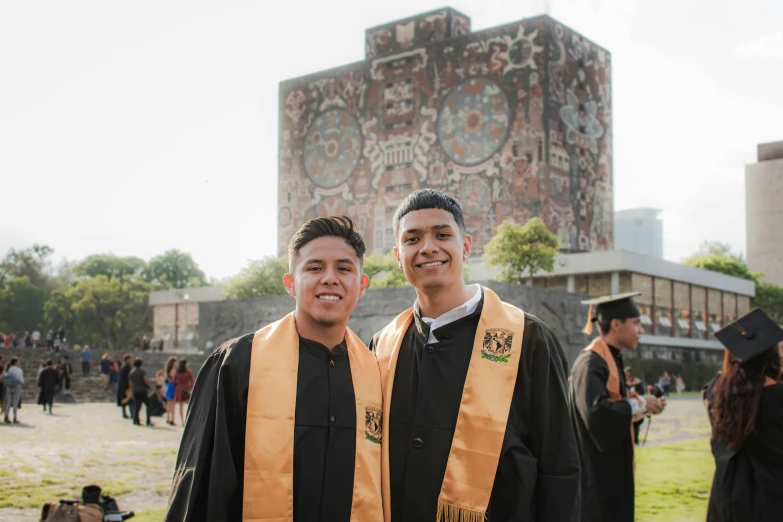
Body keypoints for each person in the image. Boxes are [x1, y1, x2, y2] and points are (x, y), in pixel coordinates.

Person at [370, 190, 581, 522]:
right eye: (413, 239)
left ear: (466, 246)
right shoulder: (383, 346)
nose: (427, 247)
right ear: (398, 255)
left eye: (442, 235)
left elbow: (560, 467)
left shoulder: (527, 339)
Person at [165, 216, 383, 522]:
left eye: (344, 268)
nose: (330, 278)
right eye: (314, 267)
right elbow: (201, 484)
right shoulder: (239, 363)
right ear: (290, 284)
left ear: (361, 285)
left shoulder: (376, 372)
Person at [569, 292, 667, 522]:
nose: (640, 330)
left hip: (613, 475)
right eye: (635, 323)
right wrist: (638, 403)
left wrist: (643, 407)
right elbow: (597, 415)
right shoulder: (591, 364)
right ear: (615, 324)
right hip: (596, 477)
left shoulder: (611, 361)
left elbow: (617, 410)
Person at [705, 308, 783, 521]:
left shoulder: (715, 394)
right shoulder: (778, 396)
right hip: (772, 500)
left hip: (726, 500)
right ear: (773, 355)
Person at [624, 366, 646, 445]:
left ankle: (636, 440)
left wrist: (636, 396)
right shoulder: (623, 382)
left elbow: (642, 392)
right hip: (628, 404)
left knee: (637, 422)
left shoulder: (637, 382)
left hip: (637, 403)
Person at [130, 358, 153, 426]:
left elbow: (130, 381)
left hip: (135, 391)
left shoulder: (132, 371)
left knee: (137, 406)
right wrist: (148, 386)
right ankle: (148, 420)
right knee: (148, 405)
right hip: (142, 390)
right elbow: (145, 379)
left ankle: (136, 420)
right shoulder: (142, 371)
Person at [172, 359, 194, 427]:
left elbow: (174, 381)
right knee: (190, 404)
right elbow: (192, 381)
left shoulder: (177, 372)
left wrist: (178, 385)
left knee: (180, 406)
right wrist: (190, 386)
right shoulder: (188, 372)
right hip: (186, 388)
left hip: (179, 388)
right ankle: (188, 419)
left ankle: (182, 421)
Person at [3, 357, 24, 424]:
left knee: (8, 402)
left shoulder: (9, 369)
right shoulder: (18, 370)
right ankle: (15, 417)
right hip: (17, 386)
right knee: (15, 402)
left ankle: (6, 416)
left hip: (9, 386)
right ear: (15, 362)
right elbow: (20, 379)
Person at [161, 357, 178, 426]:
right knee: (172, 404)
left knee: (169, 403)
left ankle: (168, 418)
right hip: (173, 386)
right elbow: (174, 379)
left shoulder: (168, 370)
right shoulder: (173, 370)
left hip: (169, 386)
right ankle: (172, 419)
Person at [117, 354, 134, 419]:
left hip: (124, 386)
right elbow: (127, 378)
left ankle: (128, 413)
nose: (131, 360)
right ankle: (129, 413)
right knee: (128, 400)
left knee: (128, 400)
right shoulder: (126, 368)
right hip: (125, 386)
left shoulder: (127, 367)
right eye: (129, 359)